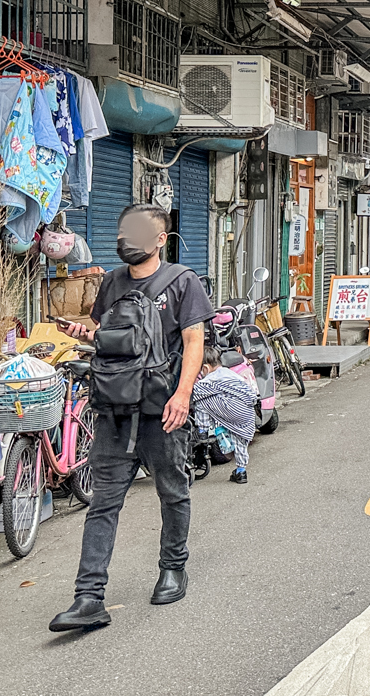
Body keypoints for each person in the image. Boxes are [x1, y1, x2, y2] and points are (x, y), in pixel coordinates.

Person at [49, 204, 213, 632]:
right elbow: (110, 336)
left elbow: (194, 341)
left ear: (160, 239)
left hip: (163, 410)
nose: (127, 238)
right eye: (124, 230)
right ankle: (88, 597)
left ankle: (173, 567)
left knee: (172, 492)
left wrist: (182, 395)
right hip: (114, 410)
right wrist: (84, 334)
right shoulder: (112, 282)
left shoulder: (182, 282)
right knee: (103, 504)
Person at [192, 341, 257, 484]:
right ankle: (241, 471)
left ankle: (202, 431)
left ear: (205, 368)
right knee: (239, 438)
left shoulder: (210, 380)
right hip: (247, 412)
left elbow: (195, 393)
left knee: (199, 398)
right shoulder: (229, 373)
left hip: (231, 409)